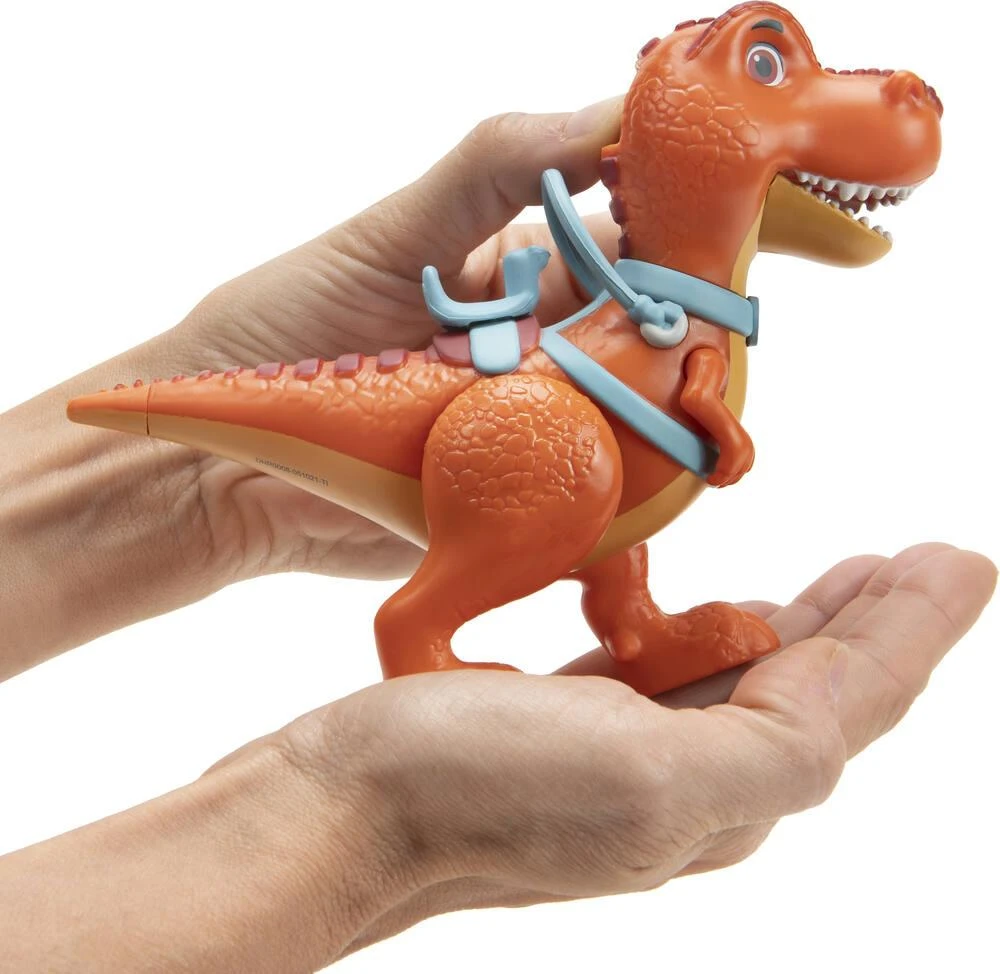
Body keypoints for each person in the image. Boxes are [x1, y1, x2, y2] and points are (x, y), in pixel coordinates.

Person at [0, 101, 994, 972]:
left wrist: (180, 494)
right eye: (767, 68)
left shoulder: (675, 297)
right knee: (567, 460)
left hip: (564, 431)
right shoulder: (671, 307)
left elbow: (670, 379)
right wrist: (379, 819)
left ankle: (636, 628)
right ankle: (423, 630)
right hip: (511, 427)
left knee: (600, 489)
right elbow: (684, 390)